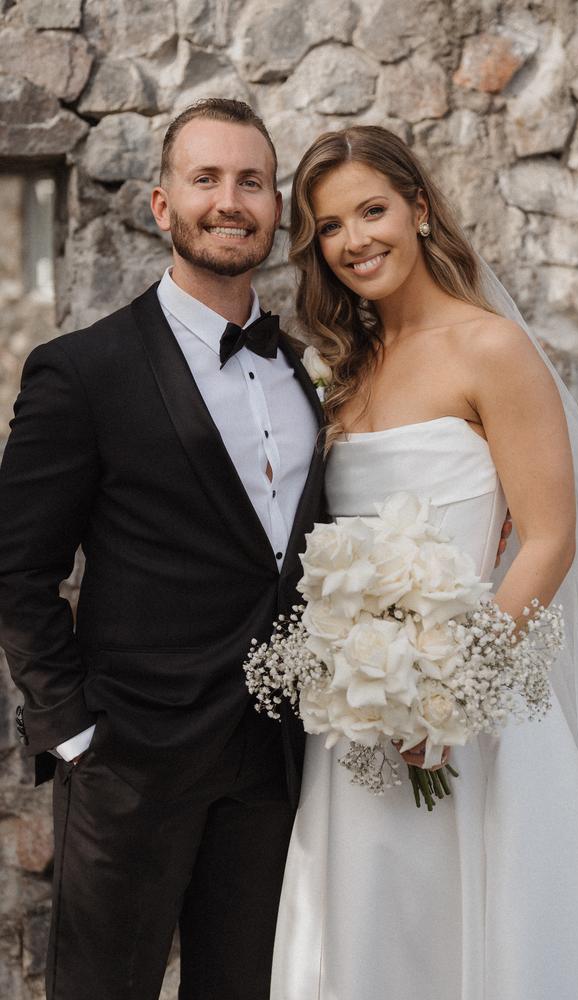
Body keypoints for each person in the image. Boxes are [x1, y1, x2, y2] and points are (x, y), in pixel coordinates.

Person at [271, 125, 578, 999]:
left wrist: (450, 698)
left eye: (373, 210)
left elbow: (549, 536)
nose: (357, 240)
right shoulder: (346, 370)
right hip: (359, 718)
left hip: (467, 712)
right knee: (373, 930)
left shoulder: (493, 349)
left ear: (421, 207)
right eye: (331, 227)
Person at [0, 98, 328, 1000]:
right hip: (129, 765)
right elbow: (16, 568)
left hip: (272, 764)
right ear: (160, 204)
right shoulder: (83, 370)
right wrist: (72, 730)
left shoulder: (310, 372)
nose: (232, 200)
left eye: (252, 182)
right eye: (208, 178)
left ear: (275, 207)